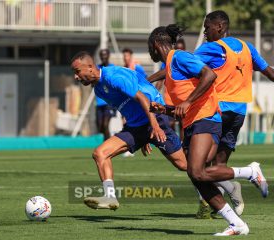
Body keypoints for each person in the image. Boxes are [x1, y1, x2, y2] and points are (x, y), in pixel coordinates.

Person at [148, 24, 269, 236]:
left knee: (195, 171)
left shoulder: (179, 57)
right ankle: (236, 224)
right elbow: (182, 107)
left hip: (206, 118)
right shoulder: (169, 67)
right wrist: (164, 109)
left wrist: (186, 102)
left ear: (157, 44)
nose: (149, 52)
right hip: (194, 122)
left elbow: (209, 75)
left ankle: (250, 172)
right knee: (197, 175)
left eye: (149, 47)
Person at [193, 10, 274, 216]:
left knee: (199, 165)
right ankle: (225, 200)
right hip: (238, 113)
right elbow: (270, 72)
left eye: (207, 27)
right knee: (219, 165)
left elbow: (183, 64)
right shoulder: (247, 48)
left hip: (217, 111)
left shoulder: (211, 48)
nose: (204, 32)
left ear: (219, 27)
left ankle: (239, 180)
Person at [70, 51, 187, 210]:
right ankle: (110, 198)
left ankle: (225, 184)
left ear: (90, 67)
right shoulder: (98, 90)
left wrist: (154, 126)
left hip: (155, 118)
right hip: (136, 127)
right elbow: (127, 108)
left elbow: (143, 99)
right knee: (100, 153)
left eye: (77, 71)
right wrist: (143, 138)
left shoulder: (114, 76)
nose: (76, 77)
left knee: (184, 165)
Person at [155, 38, 186, 142]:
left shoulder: (188, 61)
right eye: (177, 49)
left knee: (183, 123)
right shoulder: (167, 62)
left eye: (182, 50)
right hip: (169, 99)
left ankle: (182, 143)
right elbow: (160, 80)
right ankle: (175, 143)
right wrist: (155, 92)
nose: (179, 52)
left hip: (182, 99)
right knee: (170, 123)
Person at [95, 49, 115, 141]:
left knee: (105, 124)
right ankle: (107, 142)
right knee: (100, 127)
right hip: (99, 102)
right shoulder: (97, 68)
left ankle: (108, 145)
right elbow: (93, 82)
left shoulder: (112, 67)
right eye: (102, 55)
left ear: (108, 55)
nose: (103, 57)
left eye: (105, 55)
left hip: (109, 102)